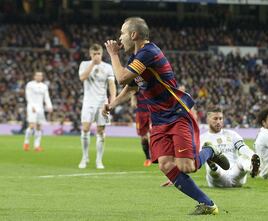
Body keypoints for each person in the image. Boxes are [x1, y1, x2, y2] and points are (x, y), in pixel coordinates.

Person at [104, 17, 230, 215]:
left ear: (133, 35)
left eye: (122, 33)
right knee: (165, 164)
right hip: (159, 120)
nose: (119, 38)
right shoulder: (136, 60)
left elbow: (121, 78)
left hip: (177, 114)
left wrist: (112, 55)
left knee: (187, 167)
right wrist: (112, 104)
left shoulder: (149, 53)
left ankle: (210, 152)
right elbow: (130, 89)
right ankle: (208, 204)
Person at [78, 43, 116, 169]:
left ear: (102, 54)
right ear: (90, 54)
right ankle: (84, 157)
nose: (96, 56)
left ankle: (99, 160)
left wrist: (113, 99)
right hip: (88, 102)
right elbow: (83, 77)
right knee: (85, 129)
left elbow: (111, 84)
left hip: (102, 103)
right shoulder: (84, 64)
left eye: (98, 54)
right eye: (94, 54)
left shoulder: (108, 67)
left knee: (101, 131)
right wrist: (92, 64)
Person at [201, 107, 260, 188]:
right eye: (215, 119)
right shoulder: (202, 138)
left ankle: (251, 167)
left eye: (220, 119)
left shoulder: (232, 134)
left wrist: (253, 155)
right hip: (218, 179)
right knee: (213, 166)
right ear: (208, 120)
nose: (218, 121)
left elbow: (243, 148)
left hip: (235, 173)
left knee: (243, 158)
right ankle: (214, 168)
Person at [23, 71, 53, 152]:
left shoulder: (44, 86)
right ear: (34, 76)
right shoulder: (30, 84)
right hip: (32, 107)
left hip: (40, 108)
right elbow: (28, 96)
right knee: (32, 126)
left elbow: (46, 97)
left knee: (39, 127)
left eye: (40, 76)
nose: (39, 77)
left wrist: (49, 106)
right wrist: (32, 106)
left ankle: (37, 146)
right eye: (37, 75)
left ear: (42, 77)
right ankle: (26, 143)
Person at [130, 92, 152, 167]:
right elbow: (133, 95)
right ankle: (148, 158)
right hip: (140, 114)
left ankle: (157, 155)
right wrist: (133, 100)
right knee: (144, 138)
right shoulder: (137, 83)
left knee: (153, 135)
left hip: (152, 112)